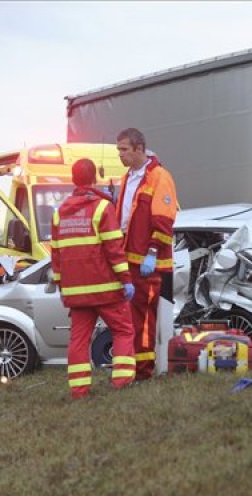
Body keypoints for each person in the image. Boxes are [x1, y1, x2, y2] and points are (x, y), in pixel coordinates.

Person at [51, 158, 137, 400]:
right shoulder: (102, 208)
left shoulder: (59, 215)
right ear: (94, 179)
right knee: (123, 331)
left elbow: (56, 257)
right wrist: (126, 279)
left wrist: (62, 287)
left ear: (73, 180)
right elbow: (114, 249)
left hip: (76, 293)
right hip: (106, 289)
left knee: (78, 339)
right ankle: (122, 382)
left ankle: (79, 390)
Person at [115, 128, 178, 381]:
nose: (120, 154)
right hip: (128, 260)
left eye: (124, 149)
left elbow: (163, 221)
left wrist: (151, 253)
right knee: (131, 318)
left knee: (142, 320)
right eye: (118, 149)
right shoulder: (127, 178)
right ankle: (131, 368)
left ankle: (143, 372)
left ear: (139, 149)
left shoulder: (159, 177)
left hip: (148, 264)